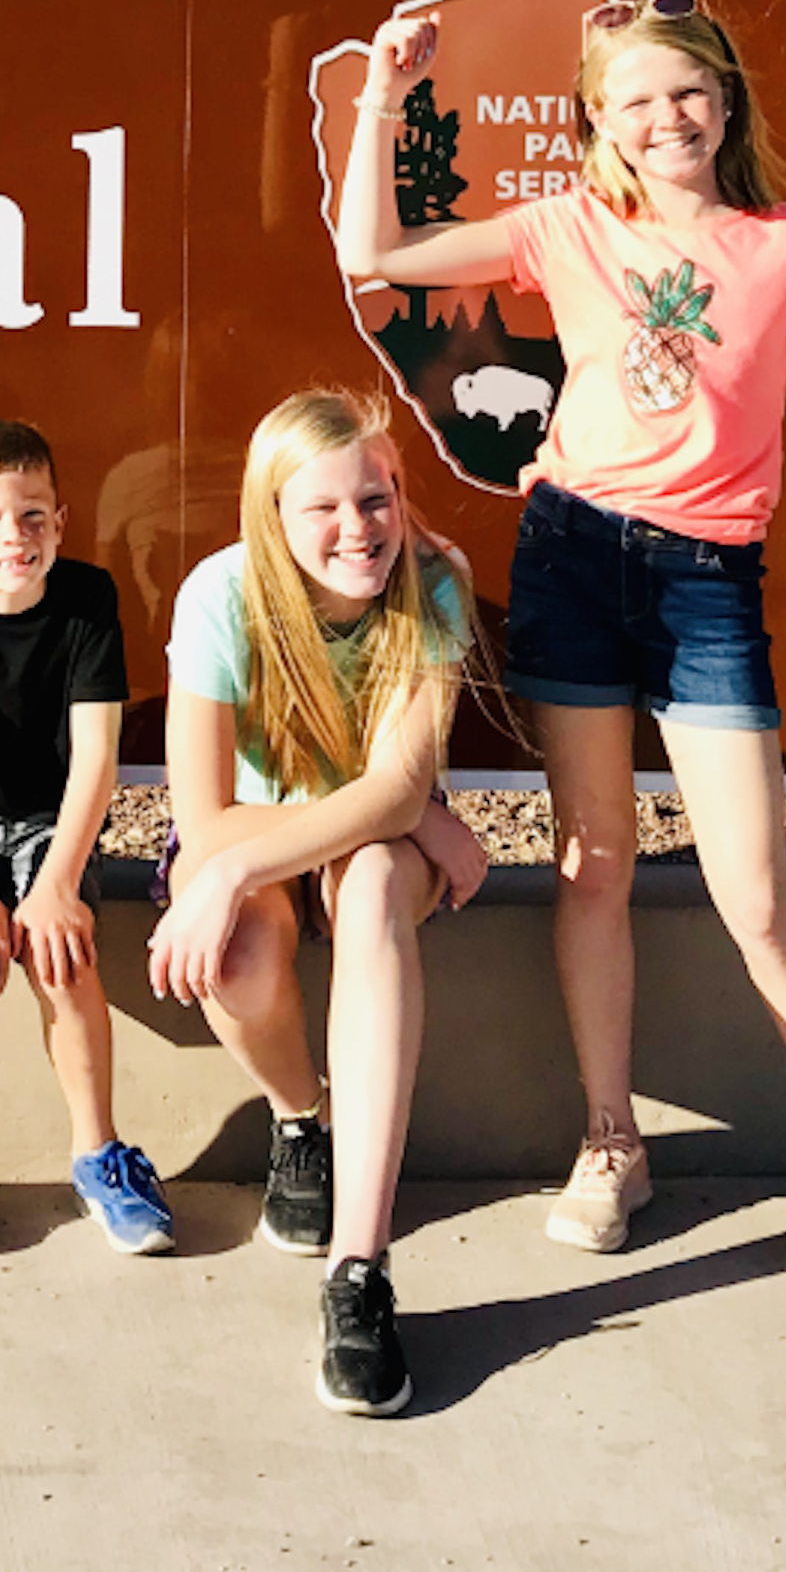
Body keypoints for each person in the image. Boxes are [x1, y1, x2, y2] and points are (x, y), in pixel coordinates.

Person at [333, 0, 786, 1268]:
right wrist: (386, 91)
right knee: (592, 864)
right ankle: (611, 1138)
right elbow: (373, 252)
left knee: (754, 893)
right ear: (598, 121)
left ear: (724, 103)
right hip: (573, 555)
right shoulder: (567, 228)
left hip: (709, 581)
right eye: (637, 100)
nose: (668, 118)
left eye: (688, 92)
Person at [148, 389, 491, 1419]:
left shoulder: (432, 588)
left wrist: (405, 813)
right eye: (325, 509)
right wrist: (402, 809)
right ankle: (303, 1118)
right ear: (273, 515)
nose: (359, 531)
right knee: (243, 958)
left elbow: (394, 793)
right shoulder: (222, 596)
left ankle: (360, 1271)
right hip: (259, 834)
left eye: (376, 500)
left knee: (381, 880)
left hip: (361, 849)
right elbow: (205, 824)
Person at [0, 417, 172, 1258]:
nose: (14, 537)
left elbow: (97, 757)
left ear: (60, 519)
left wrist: (55, 883)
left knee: (63, 956)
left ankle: (99, 1153)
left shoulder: (87, 600)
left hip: (54, 825)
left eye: (32, 516)